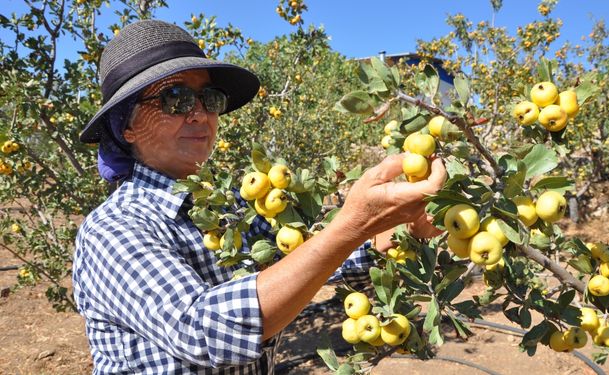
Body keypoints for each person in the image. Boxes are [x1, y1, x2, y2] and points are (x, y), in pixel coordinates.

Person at [72, 19, 446, 374]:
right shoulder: (113, 229)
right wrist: (353, 224)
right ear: (127, 127)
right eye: (176, 99)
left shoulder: (230, 208)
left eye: (210, 98)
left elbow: (302, 261)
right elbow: (204, 331)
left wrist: (395, 230)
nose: (201, 115)